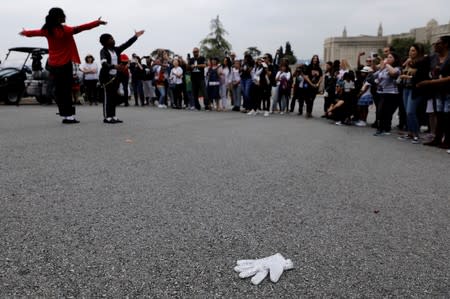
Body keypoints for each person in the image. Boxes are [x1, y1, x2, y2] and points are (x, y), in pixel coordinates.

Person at [20, 7, 106, 124]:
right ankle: (68, 116)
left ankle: (64, 113)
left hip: (53, 65)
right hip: (64, 64)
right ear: (58, 17)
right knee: (66, 90)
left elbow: (34, 33)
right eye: (63, 15)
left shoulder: (47, 30)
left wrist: (25, 33)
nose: (65, 16)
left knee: (59, 91)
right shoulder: (65, 30)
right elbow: (82, 28)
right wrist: (97, 23)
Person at [99, 30, 145, 123]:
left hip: (115, 76)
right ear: (105, 41)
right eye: (111, 39)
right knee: (107, 97)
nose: (113, 40)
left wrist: (135, 36)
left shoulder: (116, 50)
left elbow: (127, 44)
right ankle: (107, 117)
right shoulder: (103, 51)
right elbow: (104, 63)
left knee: (113, 96)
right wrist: (114, 66)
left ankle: (113, 116)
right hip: (106, 77)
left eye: (113, 38)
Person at [417, 36, 450, 149]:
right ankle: (437, 138)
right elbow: (419, 63)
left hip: (448, 92)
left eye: (438, 43)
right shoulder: (433, 57)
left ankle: (447, 141)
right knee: (439, 115)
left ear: (446, 44)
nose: (435, 45)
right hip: (437, 91)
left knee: (447, 116)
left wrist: (429, 82)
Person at [398, 43, 428, 144]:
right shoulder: (409, 62)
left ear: (419, 52)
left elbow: (422, 77)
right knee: (407, 112)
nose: (410, 52)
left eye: (413, 50)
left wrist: (406, 77)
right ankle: (410, 132)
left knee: (411, 111)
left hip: (415, 89)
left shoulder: (423, 61)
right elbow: (403, 72)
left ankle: (416, 134)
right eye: (410, 50)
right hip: (406, 88)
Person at [372, 52, 401, 136]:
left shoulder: (397, 68)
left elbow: (393, 73)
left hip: (391, 93)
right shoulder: (384, 68)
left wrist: (386, 63)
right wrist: (379, 66)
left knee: (387, 111)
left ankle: (384, 128)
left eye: (390, 57)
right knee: (380, 110)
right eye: (387, 57)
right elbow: (374, 75)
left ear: (395, 60)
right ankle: (381, 128)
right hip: (381, 92)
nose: (388, 59)